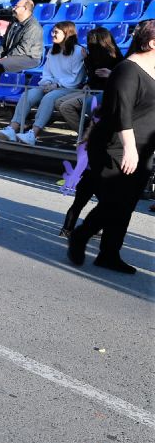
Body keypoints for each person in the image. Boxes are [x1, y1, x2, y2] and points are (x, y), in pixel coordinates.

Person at [67, 20, 155, 274]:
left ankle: (109, 253)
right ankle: (82, 234)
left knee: (126, 204)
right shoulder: (128, 70)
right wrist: (129, 148)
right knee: (115, 202)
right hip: (117, 145)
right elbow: (121, 113)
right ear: (151, 43)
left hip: (142, 147)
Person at [0, 22, 85, 146]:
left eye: (56, 32)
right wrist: (48, 83)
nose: (52, 34)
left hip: (70, 88)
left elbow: (77, 79)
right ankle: (12, 128)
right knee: (28, 95)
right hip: (51, 85)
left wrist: (56, 85)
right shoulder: (52, 51)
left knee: (49, 98)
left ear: (67, 34)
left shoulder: (78, 52)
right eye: (53, 31)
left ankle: (33, 134)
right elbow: (47, 72)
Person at [57, 26, 123, 134]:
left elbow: (122, 80)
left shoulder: (116, 59)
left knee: (66, 107)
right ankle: (89, 130)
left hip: (102, 93)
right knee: (59, 102)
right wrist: (87, 61)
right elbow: (93, 76)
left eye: (91, 42)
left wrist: (110, 75)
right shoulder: (93, 57)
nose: (88, 44)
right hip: (92, 90)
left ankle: (86, 136)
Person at [0, 0, 44, 74]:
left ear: (25, 9)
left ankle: (2, 85)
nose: (13, 8)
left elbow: (23, 49)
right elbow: (4, 42)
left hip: (29, 58)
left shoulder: (33, 26)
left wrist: (5, 58)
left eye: (16, 7)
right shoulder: (14, 22)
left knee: (0, 66)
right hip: (11, 55)